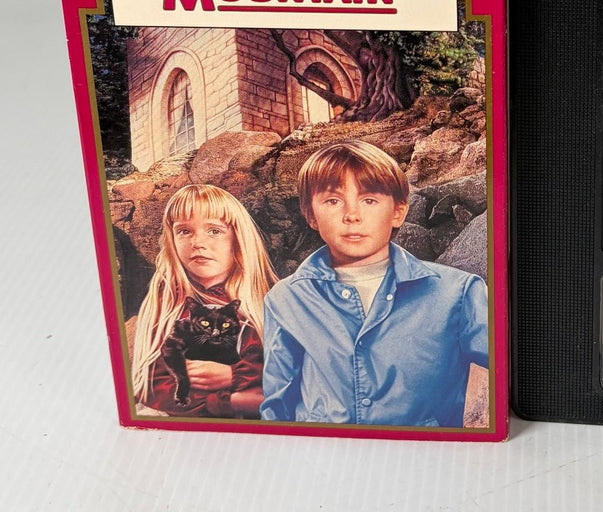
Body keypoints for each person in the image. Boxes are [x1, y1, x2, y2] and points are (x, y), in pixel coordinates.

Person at [260, 140, 489, 427]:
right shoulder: (285, 299)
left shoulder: (459, 292)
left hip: (423, 451)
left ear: (398, 211)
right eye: (333, 201)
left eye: (369, 200)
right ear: (310, 215)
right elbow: (276, 408)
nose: (352, 216)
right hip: (323, 450)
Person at [131, 184, 277, 418]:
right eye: (184, 231)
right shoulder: (167, 305)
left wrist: (234, 375)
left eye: (214, 231)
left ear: (238, 238)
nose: (198, 242)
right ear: (171, 239)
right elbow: (153, 386)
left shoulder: (270, 302)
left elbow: (290, 376)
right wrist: (226, 402)